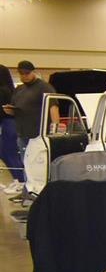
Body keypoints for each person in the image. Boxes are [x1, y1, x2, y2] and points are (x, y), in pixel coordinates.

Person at [8, 61, 58, 193]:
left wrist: (55, 128)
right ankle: (28, 190)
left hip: (38, 135)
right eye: (21, 73)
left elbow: (53, 107)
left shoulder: (45, 87)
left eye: (27, 73)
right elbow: (15, 108)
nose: (24, 76)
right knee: (26, 164)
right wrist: (10, 110)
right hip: (22, 133)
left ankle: (41, 191)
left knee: (39, 166)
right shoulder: (19, 89)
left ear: (33, 72)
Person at [0, 66, 21, 192]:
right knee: (7, 153)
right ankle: (18, 180)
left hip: (7, 124)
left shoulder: (3, 91)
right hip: (10, 124)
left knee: (9, 154)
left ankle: (20, 180)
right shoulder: (11, 90)